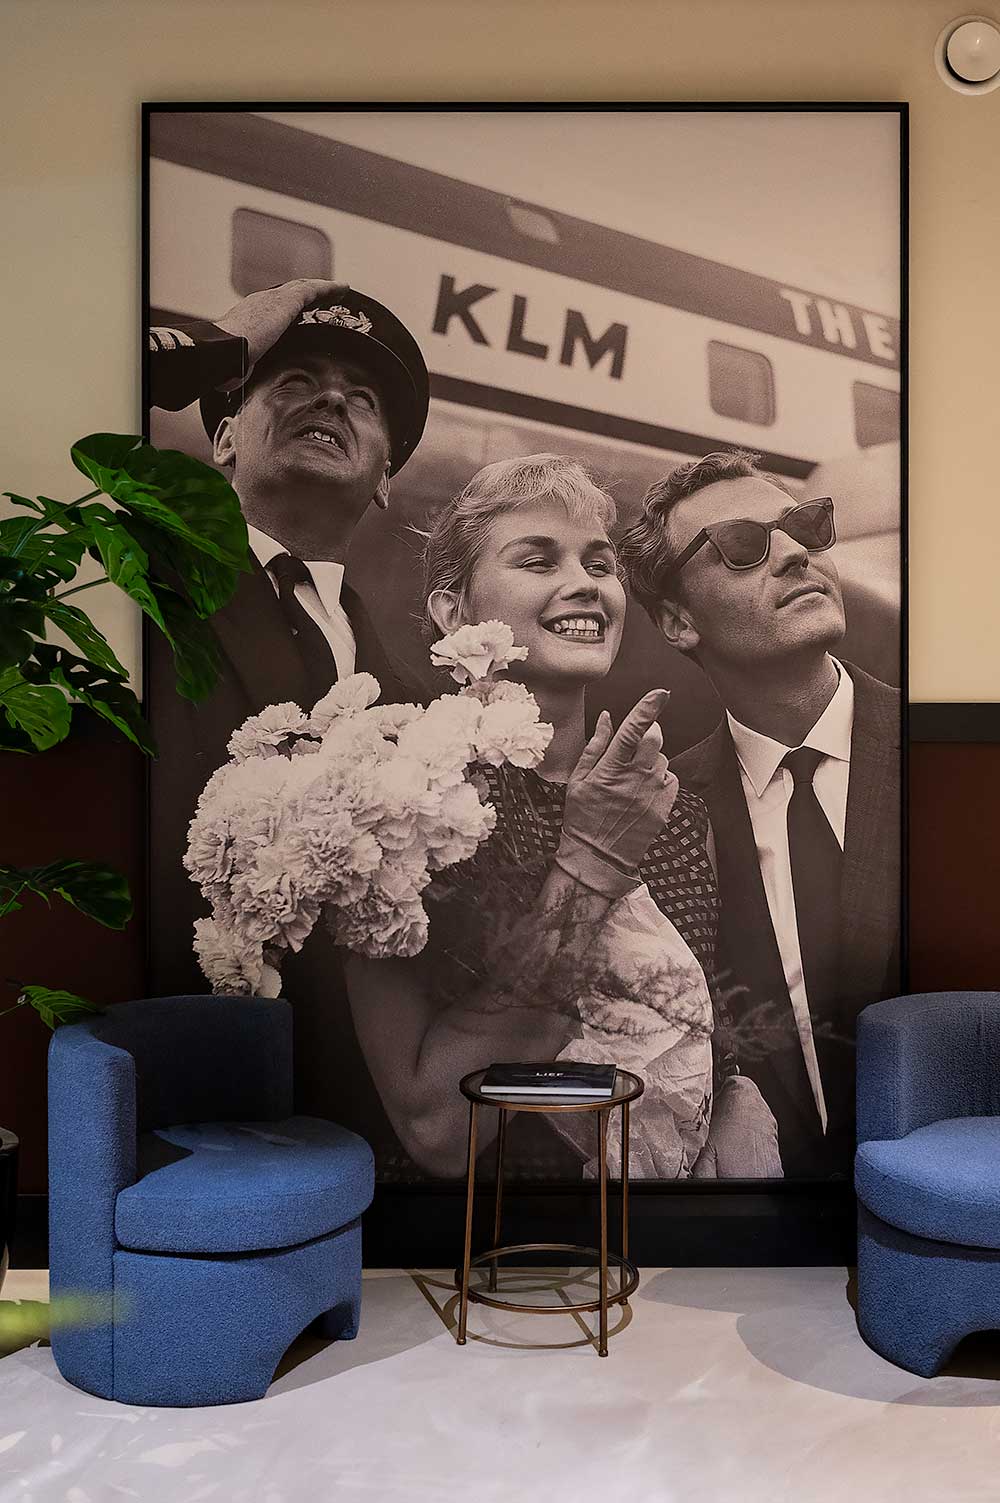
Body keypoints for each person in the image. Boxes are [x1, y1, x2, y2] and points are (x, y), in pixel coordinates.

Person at [342, 454, 780, 1180]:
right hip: (499, 1256)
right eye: (537, 559)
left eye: (600, 564)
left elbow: (697, 1023)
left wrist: (739, 1098)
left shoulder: (675, 810)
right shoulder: (396, 805)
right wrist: (594, 857)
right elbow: (437, 1127)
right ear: (455, 613)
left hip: (678, 1244)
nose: (586, 583)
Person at [146, 279, 430, 1167]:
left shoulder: (419, 701)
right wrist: (210, 344)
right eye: (295, 379)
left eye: (364, 400)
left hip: (355, 1116)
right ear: (225, 435)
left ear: (385, 476)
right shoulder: (144, 586)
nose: (333, 400)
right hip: (181, 1089)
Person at [619, 449, 901, 1178]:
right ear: (679, 621)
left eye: (804, 524)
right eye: (744, 544)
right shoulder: (662, 815)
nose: (794, 552)